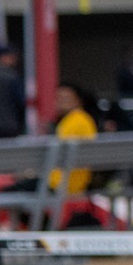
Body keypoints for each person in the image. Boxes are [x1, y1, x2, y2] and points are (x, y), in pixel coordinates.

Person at [48, 82, 99, 220]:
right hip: (74, 184)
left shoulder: (72, 123)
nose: (60, 102)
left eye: (66, 98)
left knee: (14, 191)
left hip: (62, 185)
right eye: (58, 98)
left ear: (78, 101)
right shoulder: (84, 120)